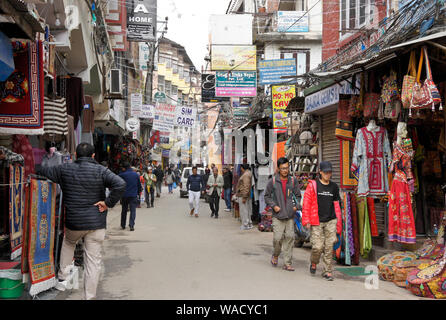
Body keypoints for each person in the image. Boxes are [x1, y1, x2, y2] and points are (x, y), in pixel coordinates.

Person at [38, 143, 126, 300]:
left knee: (69, 242)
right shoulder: (101, 170)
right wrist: (107, 203)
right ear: (93, 156)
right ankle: (89, 297)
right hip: (96, 224)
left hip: (74, 222)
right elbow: (120, 183)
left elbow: (43, 171)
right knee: (93, 262)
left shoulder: (64, 169)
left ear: (76, 155)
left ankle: (63, 275)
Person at [302, 161, 342, 281]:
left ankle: (327, 271)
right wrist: (306, 220)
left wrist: (339, 222)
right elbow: (306, 203)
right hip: (317, 221)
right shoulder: (313, 185)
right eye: (325, 172)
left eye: (330, 172)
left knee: (329, 247)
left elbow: (337, 206)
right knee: (317, 247)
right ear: (320, 172)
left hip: (331, 220)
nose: (328, 174)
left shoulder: (334, 187)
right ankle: (314, 262)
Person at [264, 157, 301, 272]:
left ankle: (287, 263)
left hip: (290, 215)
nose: (285, 170)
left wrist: (295, 207)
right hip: (278, 215)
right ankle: (275, 255)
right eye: (283, 168)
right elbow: (267, 196)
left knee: (290, 238)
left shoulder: (293, 181)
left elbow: (298, 196)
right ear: (278, 169)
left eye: (287, 168)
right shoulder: (273, 181)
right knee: (277, 238)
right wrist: (274, 206)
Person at [118, 162, 142, 231]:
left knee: (124, 210)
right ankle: (131, 225)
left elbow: (116, 182)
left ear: (124, 168)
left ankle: (123, 225)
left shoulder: (122, 175)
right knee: (133, 210)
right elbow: (139, 186)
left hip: (124, 195)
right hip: (133, 195)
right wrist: (138, 193)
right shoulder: (136, 175)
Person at [235, 164, 253, 230]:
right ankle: (249, 223)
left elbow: (246, 186)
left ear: (242, 168)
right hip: (245, 194)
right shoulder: (248, 173)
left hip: (243, 195)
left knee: (244, 210)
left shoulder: (246, 175)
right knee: (247, 209)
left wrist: (244, 197)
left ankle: (245, 224)